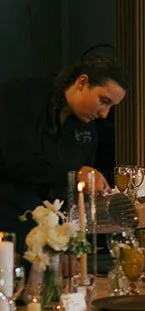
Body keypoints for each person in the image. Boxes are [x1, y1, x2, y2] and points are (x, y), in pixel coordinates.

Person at [0, 56, 130, 242]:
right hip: (10, 224)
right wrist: (76, 175)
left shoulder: (86, 126)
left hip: (54, 232)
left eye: (111, 106)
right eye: (103, 101)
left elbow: (75, 197)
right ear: (82, 82)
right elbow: (21, 163)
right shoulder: (22, 96)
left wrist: (72, 243)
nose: (104, 113)